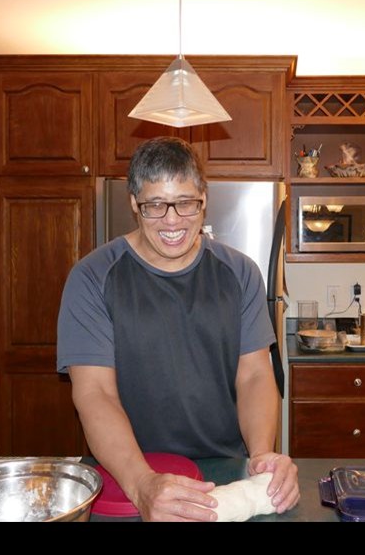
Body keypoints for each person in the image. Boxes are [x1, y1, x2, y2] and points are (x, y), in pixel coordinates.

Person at [57, 137, 299, 521]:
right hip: (128, 473)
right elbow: (95, 392)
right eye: (155, 205)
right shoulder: (92, 277)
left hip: (224, 470)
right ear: (134, 204)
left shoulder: (240, 273)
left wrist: (262, 454)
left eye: (185, 202)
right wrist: (141, 483)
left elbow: (253, 374)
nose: (173, 221)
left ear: (204, 199)